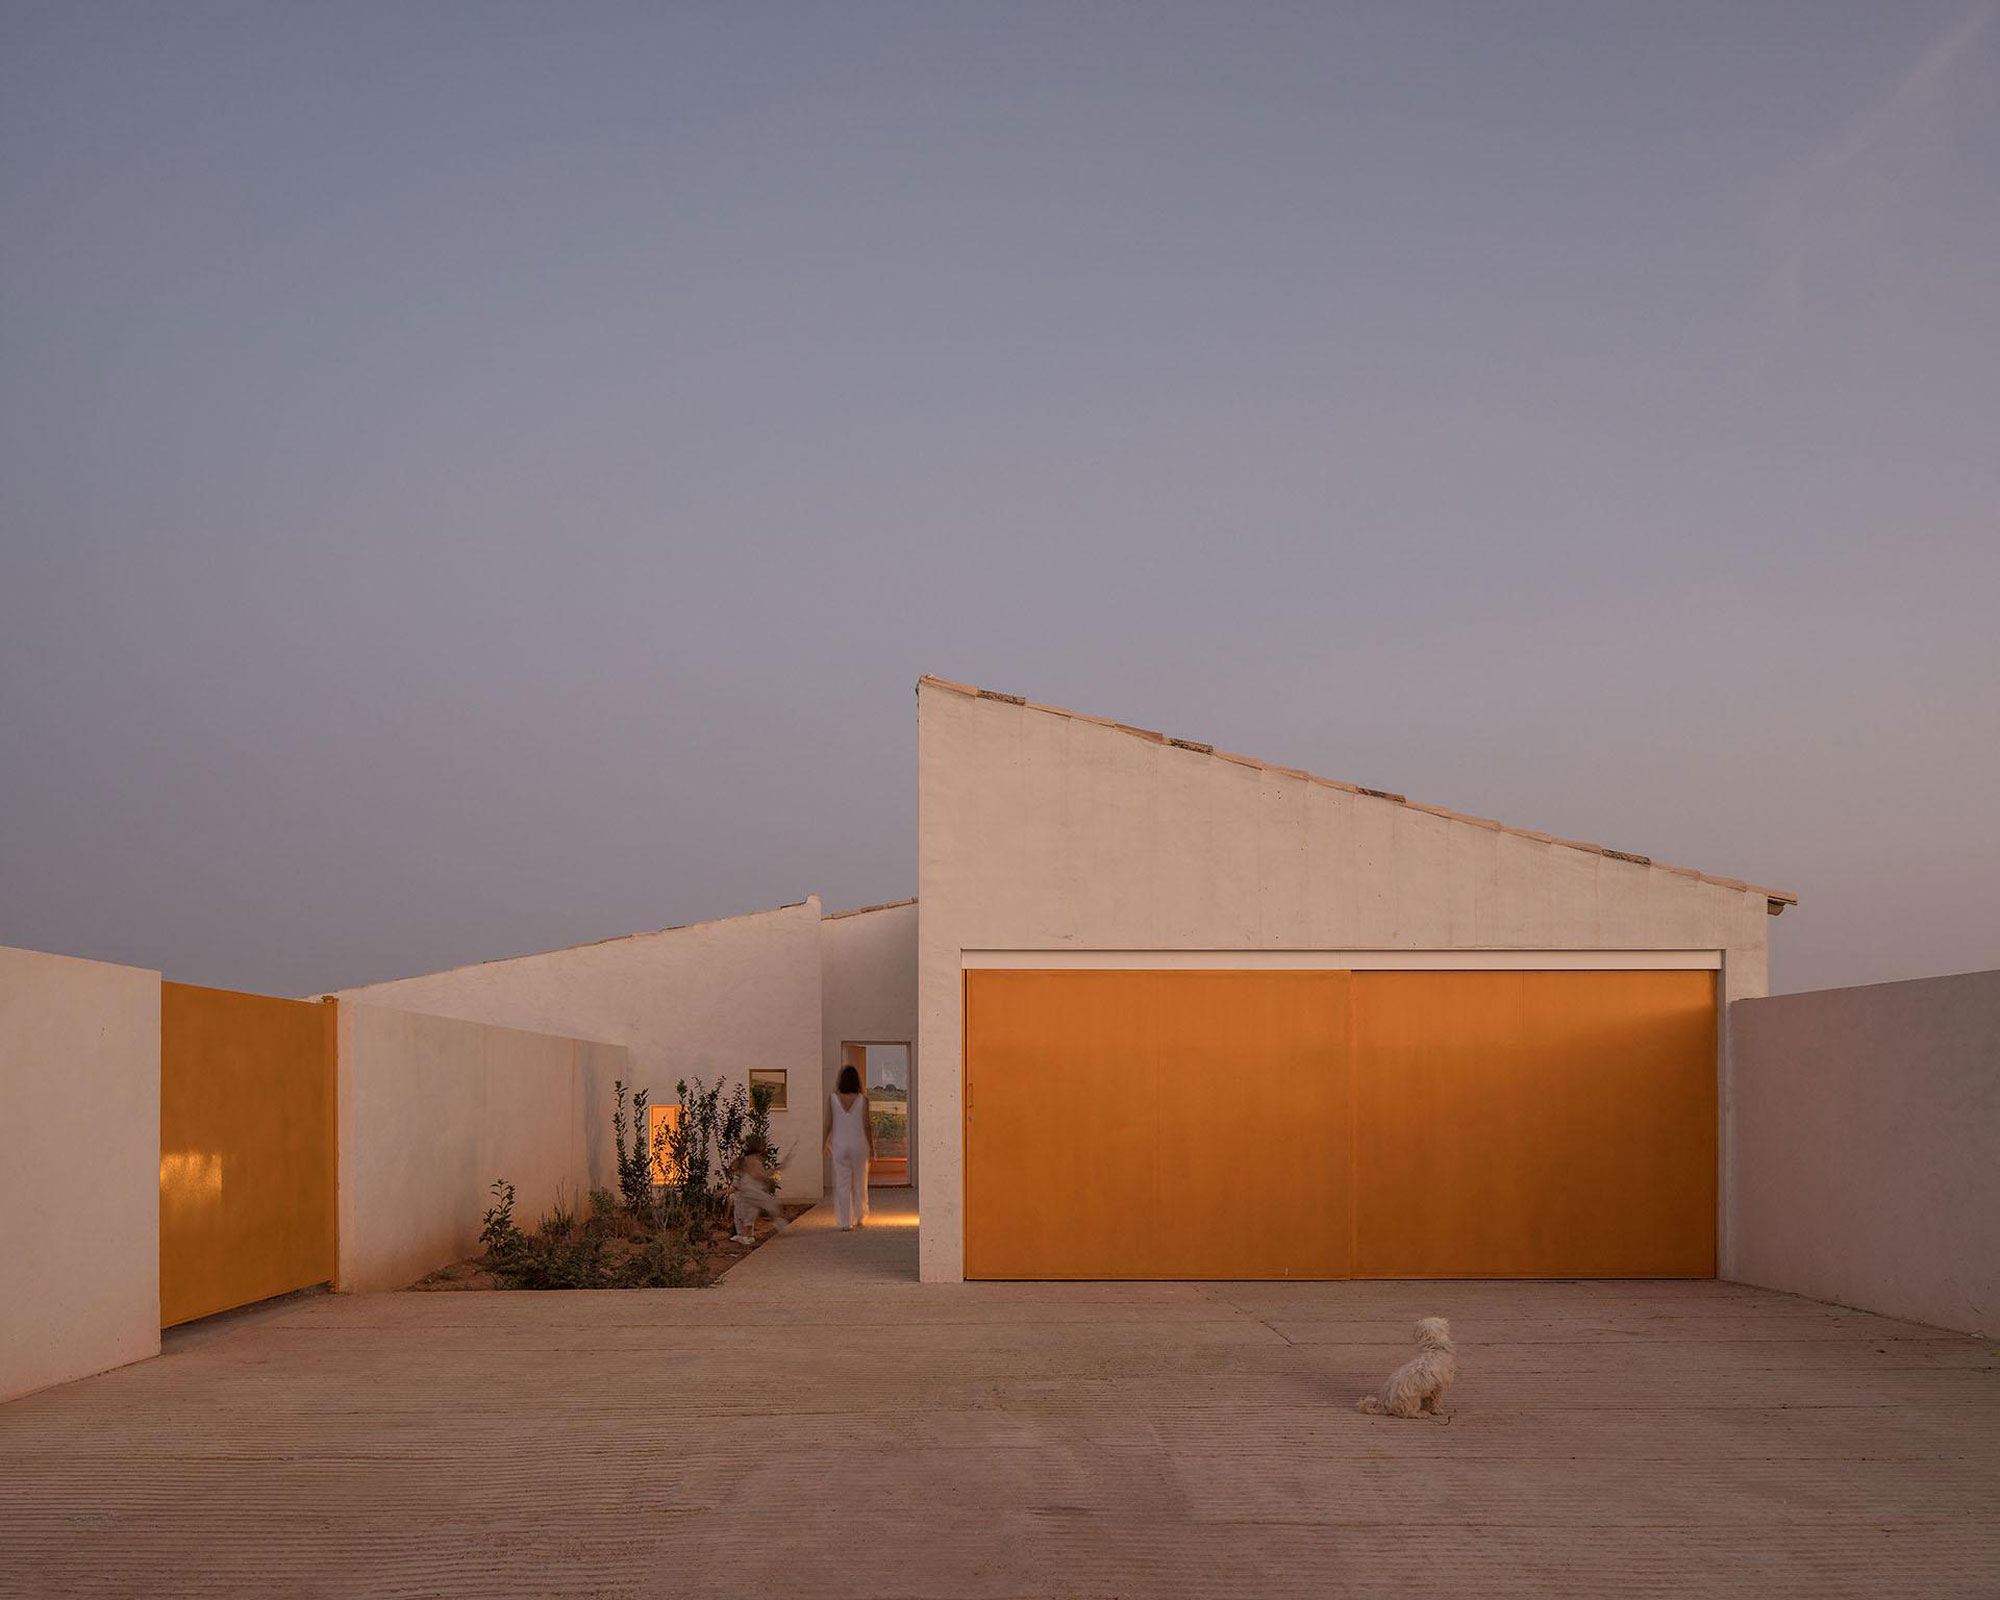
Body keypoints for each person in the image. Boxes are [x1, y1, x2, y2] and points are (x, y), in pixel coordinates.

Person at [823, 1064, 874, 1231]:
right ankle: (861, 1217)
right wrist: (872, 1148)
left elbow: (828, 1124)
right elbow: (867, 1125)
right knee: (860, 1182)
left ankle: (845, 1222)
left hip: (839, 1145)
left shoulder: (832, 1099)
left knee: (842, 1184)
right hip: (859, 1145)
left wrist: (824, 1143)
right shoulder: (862, 1100)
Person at [726, 1134, 789, 1245]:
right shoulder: (753, 1160)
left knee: (749, 1213)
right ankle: (780, 1225)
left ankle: (745, 1236)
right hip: (752, 1190)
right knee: (770, 1204)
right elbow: (759, 1175)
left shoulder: (746, 1159)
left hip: (748, 1191)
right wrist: (776, 1169)